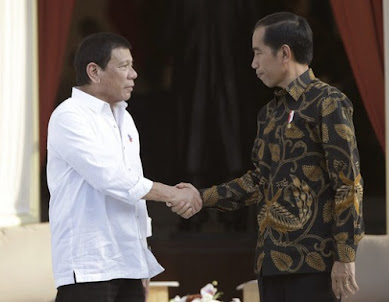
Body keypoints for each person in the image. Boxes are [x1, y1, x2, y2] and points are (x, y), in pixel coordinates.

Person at [182, 12, 364, 302]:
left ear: (284, 53)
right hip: (270, 263)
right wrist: (201, 197)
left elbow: (348, 184)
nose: (253, 63)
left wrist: (345, 257)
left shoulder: (328, 102)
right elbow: (259, 181)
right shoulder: (269, 113)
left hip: (315, 265)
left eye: (257, 53)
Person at [47, 32, 201, 302]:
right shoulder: (68, 116)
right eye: (124, 66)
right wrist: (174, 194)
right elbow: (112, 179)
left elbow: (133, 188)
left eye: (132, 65)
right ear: (94, 71)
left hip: (128, 264)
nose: (134, 74)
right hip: (88, 267)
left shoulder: (124, 116)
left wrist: (142, 259)